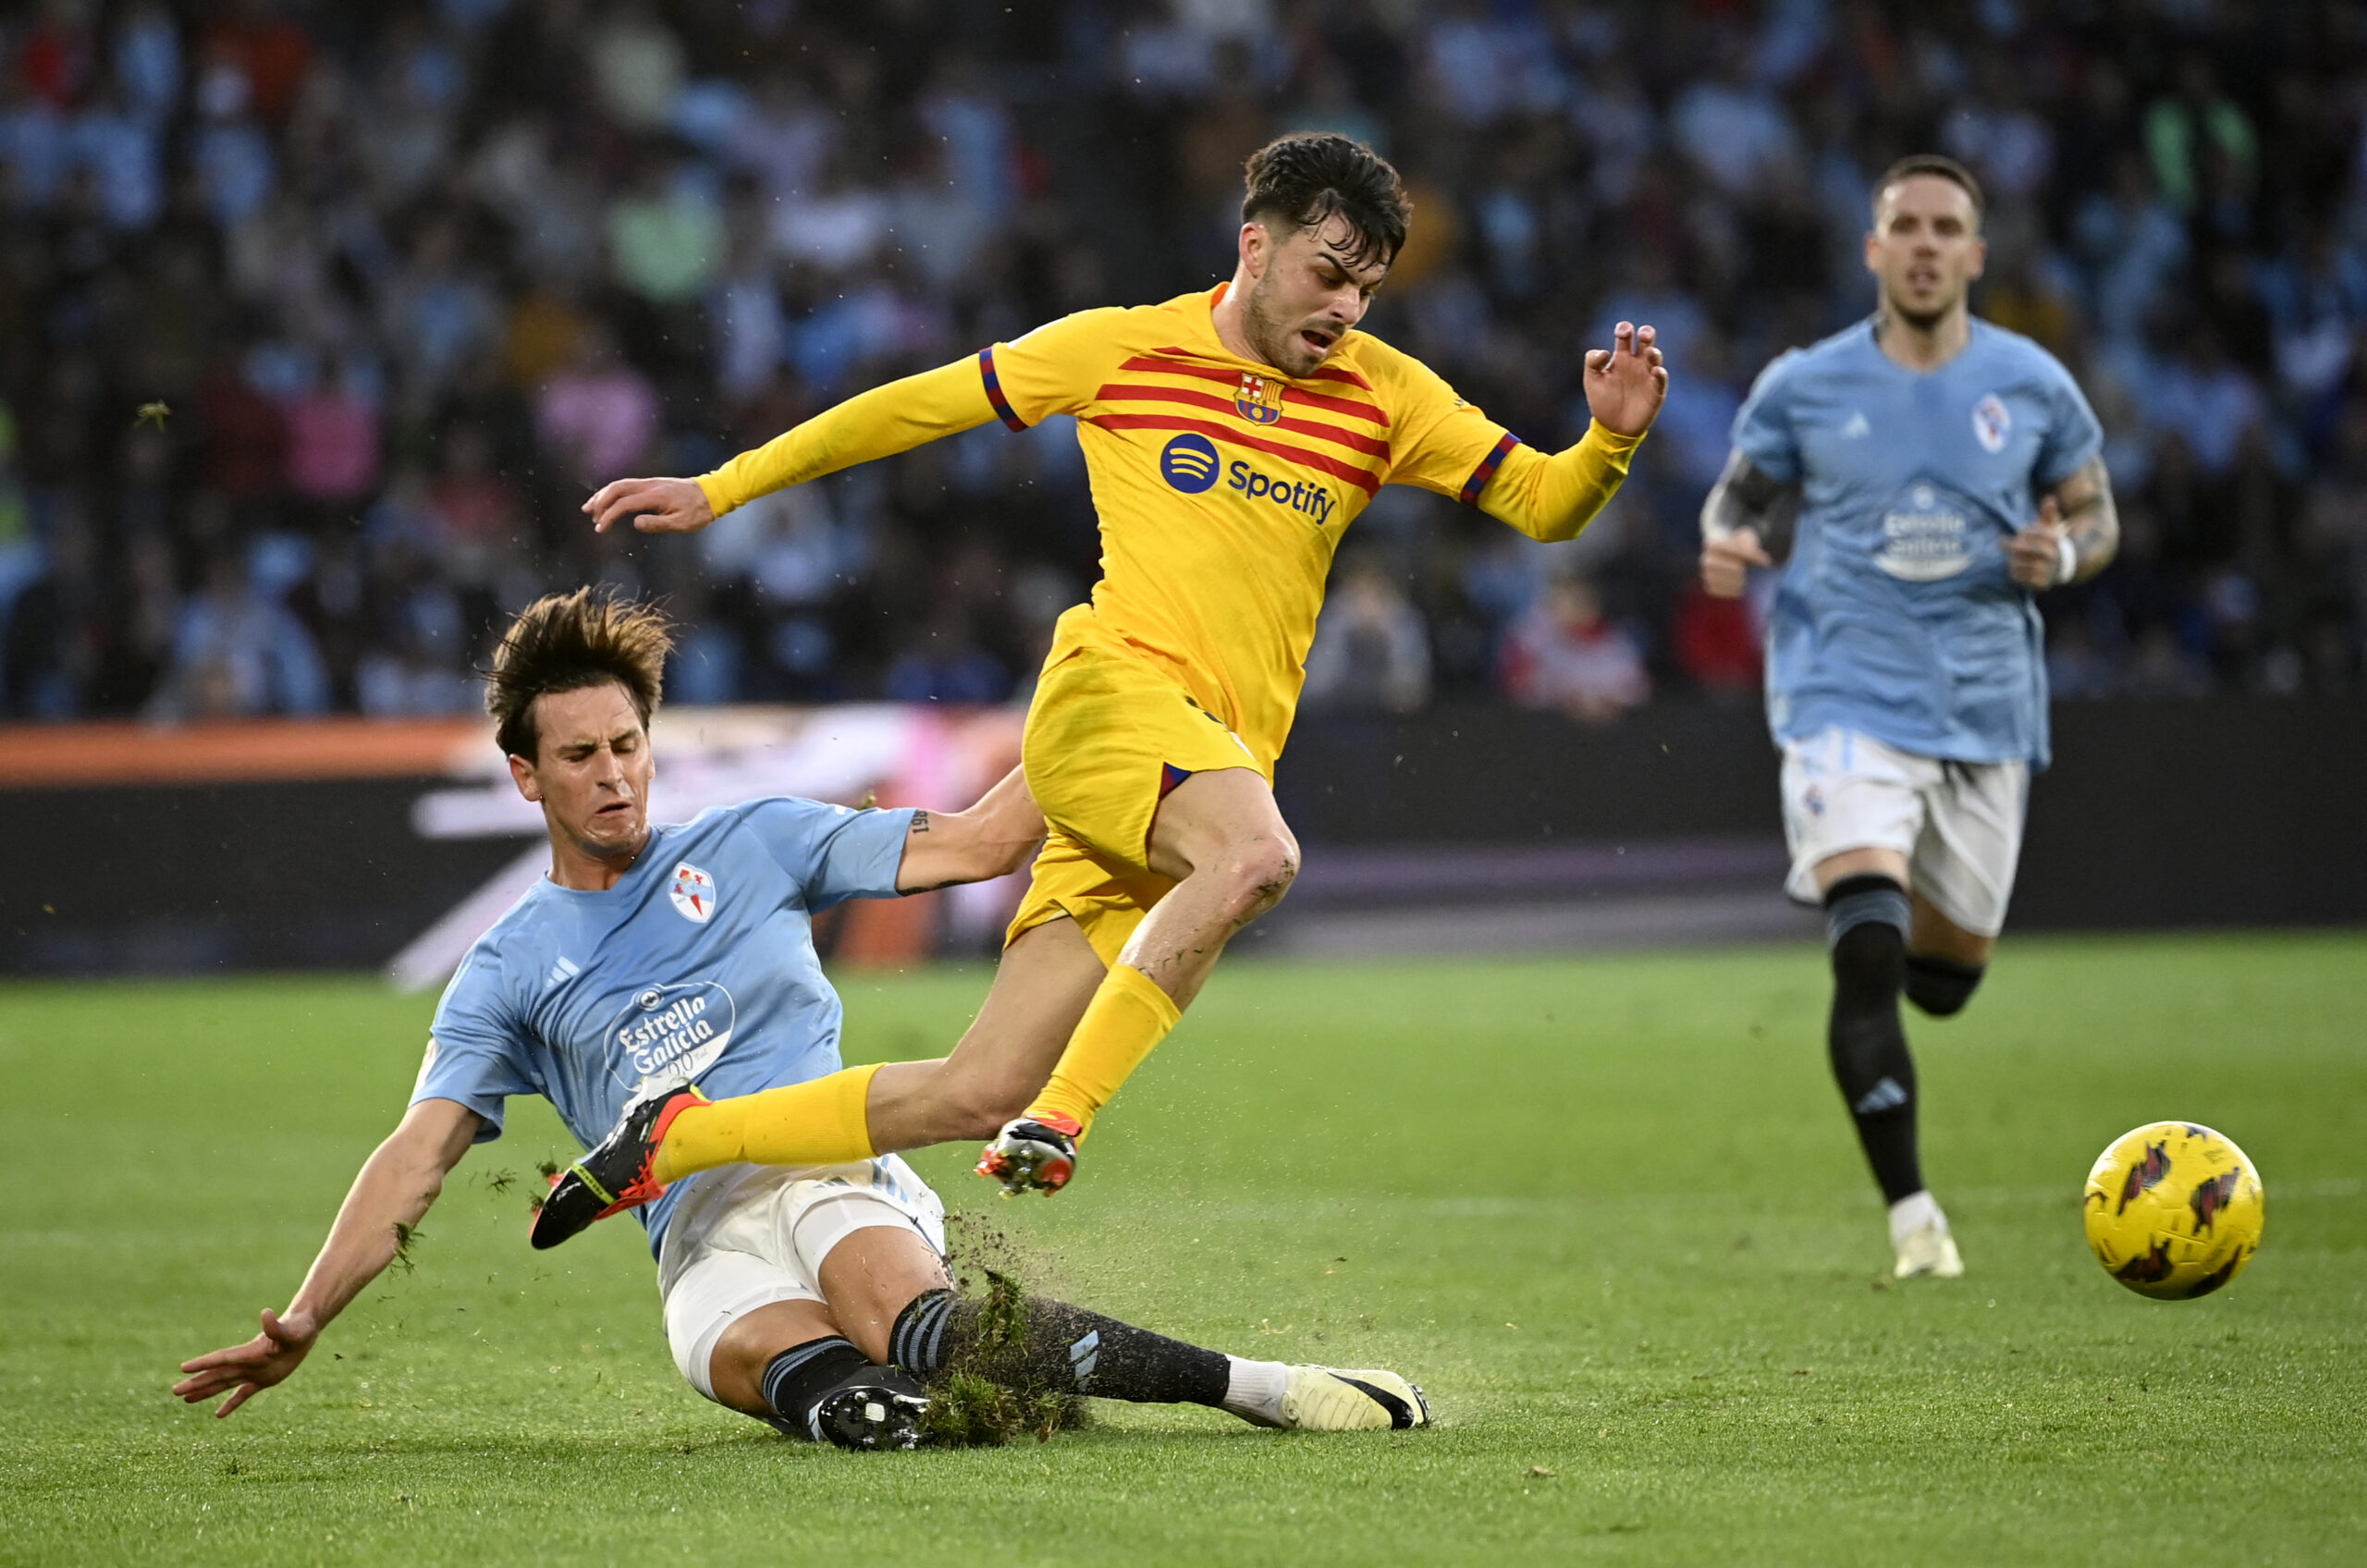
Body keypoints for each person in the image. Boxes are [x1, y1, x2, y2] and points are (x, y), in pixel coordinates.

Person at [568, 130, 1667, 1214]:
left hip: (1196, 769)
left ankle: (680, 1136)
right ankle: (1060, 1118)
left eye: (1367, 291)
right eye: (1328, 275)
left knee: (973, 1085)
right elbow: (913, 406)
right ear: (1254, 246)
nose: (1344, 310)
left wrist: (1606, 443)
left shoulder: (1386, 396)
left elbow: (1543, 504)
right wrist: (726, 486)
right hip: (1111, 698)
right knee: (1256, 857)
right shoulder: (1123, 348)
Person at [172, 589, 1430, 1448]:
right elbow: (418, 1151)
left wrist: (1104, 708)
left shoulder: (760, 838)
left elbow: (988, 838)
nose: (614, 772)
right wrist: (303, 1314)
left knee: (932, 1338)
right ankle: (872, 1393)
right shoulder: (504, 971)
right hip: (700, 1247)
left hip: (833, 1168)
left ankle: (1264, 1387)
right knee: (858, 1410)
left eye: (628, 741)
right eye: (580, 756)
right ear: (524, 774)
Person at [1697, 155, 2117, 1279]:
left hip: (1984, 706)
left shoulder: (2031, 384)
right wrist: (1727, 535)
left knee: (1943, 981)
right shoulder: (1805, 383)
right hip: (1843, 692)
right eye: (1905, 226)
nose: (1926, 244)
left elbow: (2097, 513)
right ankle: (1913, 1218)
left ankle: (1890, 925)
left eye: (1947, 228)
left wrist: (2063, 552)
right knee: (1869, 946)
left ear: (1975, 254)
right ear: (1873, 249)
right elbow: (1739, 490)